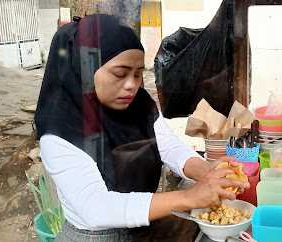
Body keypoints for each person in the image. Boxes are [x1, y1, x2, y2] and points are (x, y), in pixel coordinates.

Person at [35, 14, 248, 242]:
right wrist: (189, 197)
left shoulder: (138, 105)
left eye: (138, 74)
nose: (132, 85)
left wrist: (206, 171)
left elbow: (168, 147)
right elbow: (96, 208)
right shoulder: (60, 128)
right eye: (120, 73)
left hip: (144, 225)